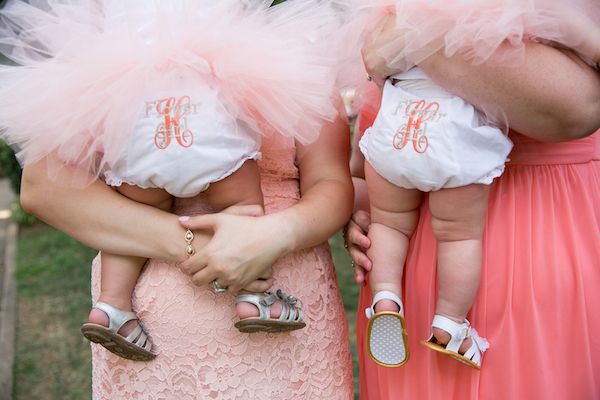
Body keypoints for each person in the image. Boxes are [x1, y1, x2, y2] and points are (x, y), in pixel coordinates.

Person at [0, 0, 340, 361]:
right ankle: (254, 297)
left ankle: (112, 304)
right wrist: (205, 249)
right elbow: (41, 188)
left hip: (140, 124)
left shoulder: (105, 45)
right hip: (210, 125)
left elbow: (333, 182)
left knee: (132, 204)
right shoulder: (268, 48)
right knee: (242, 205)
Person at [345, 19, 600, 400]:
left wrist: (412, 38)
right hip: (434, 247)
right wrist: (357, 211)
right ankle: (450, 322)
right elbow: (358, 160)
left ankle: (387, 299)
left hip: (540, 238)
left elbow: (579, 107)